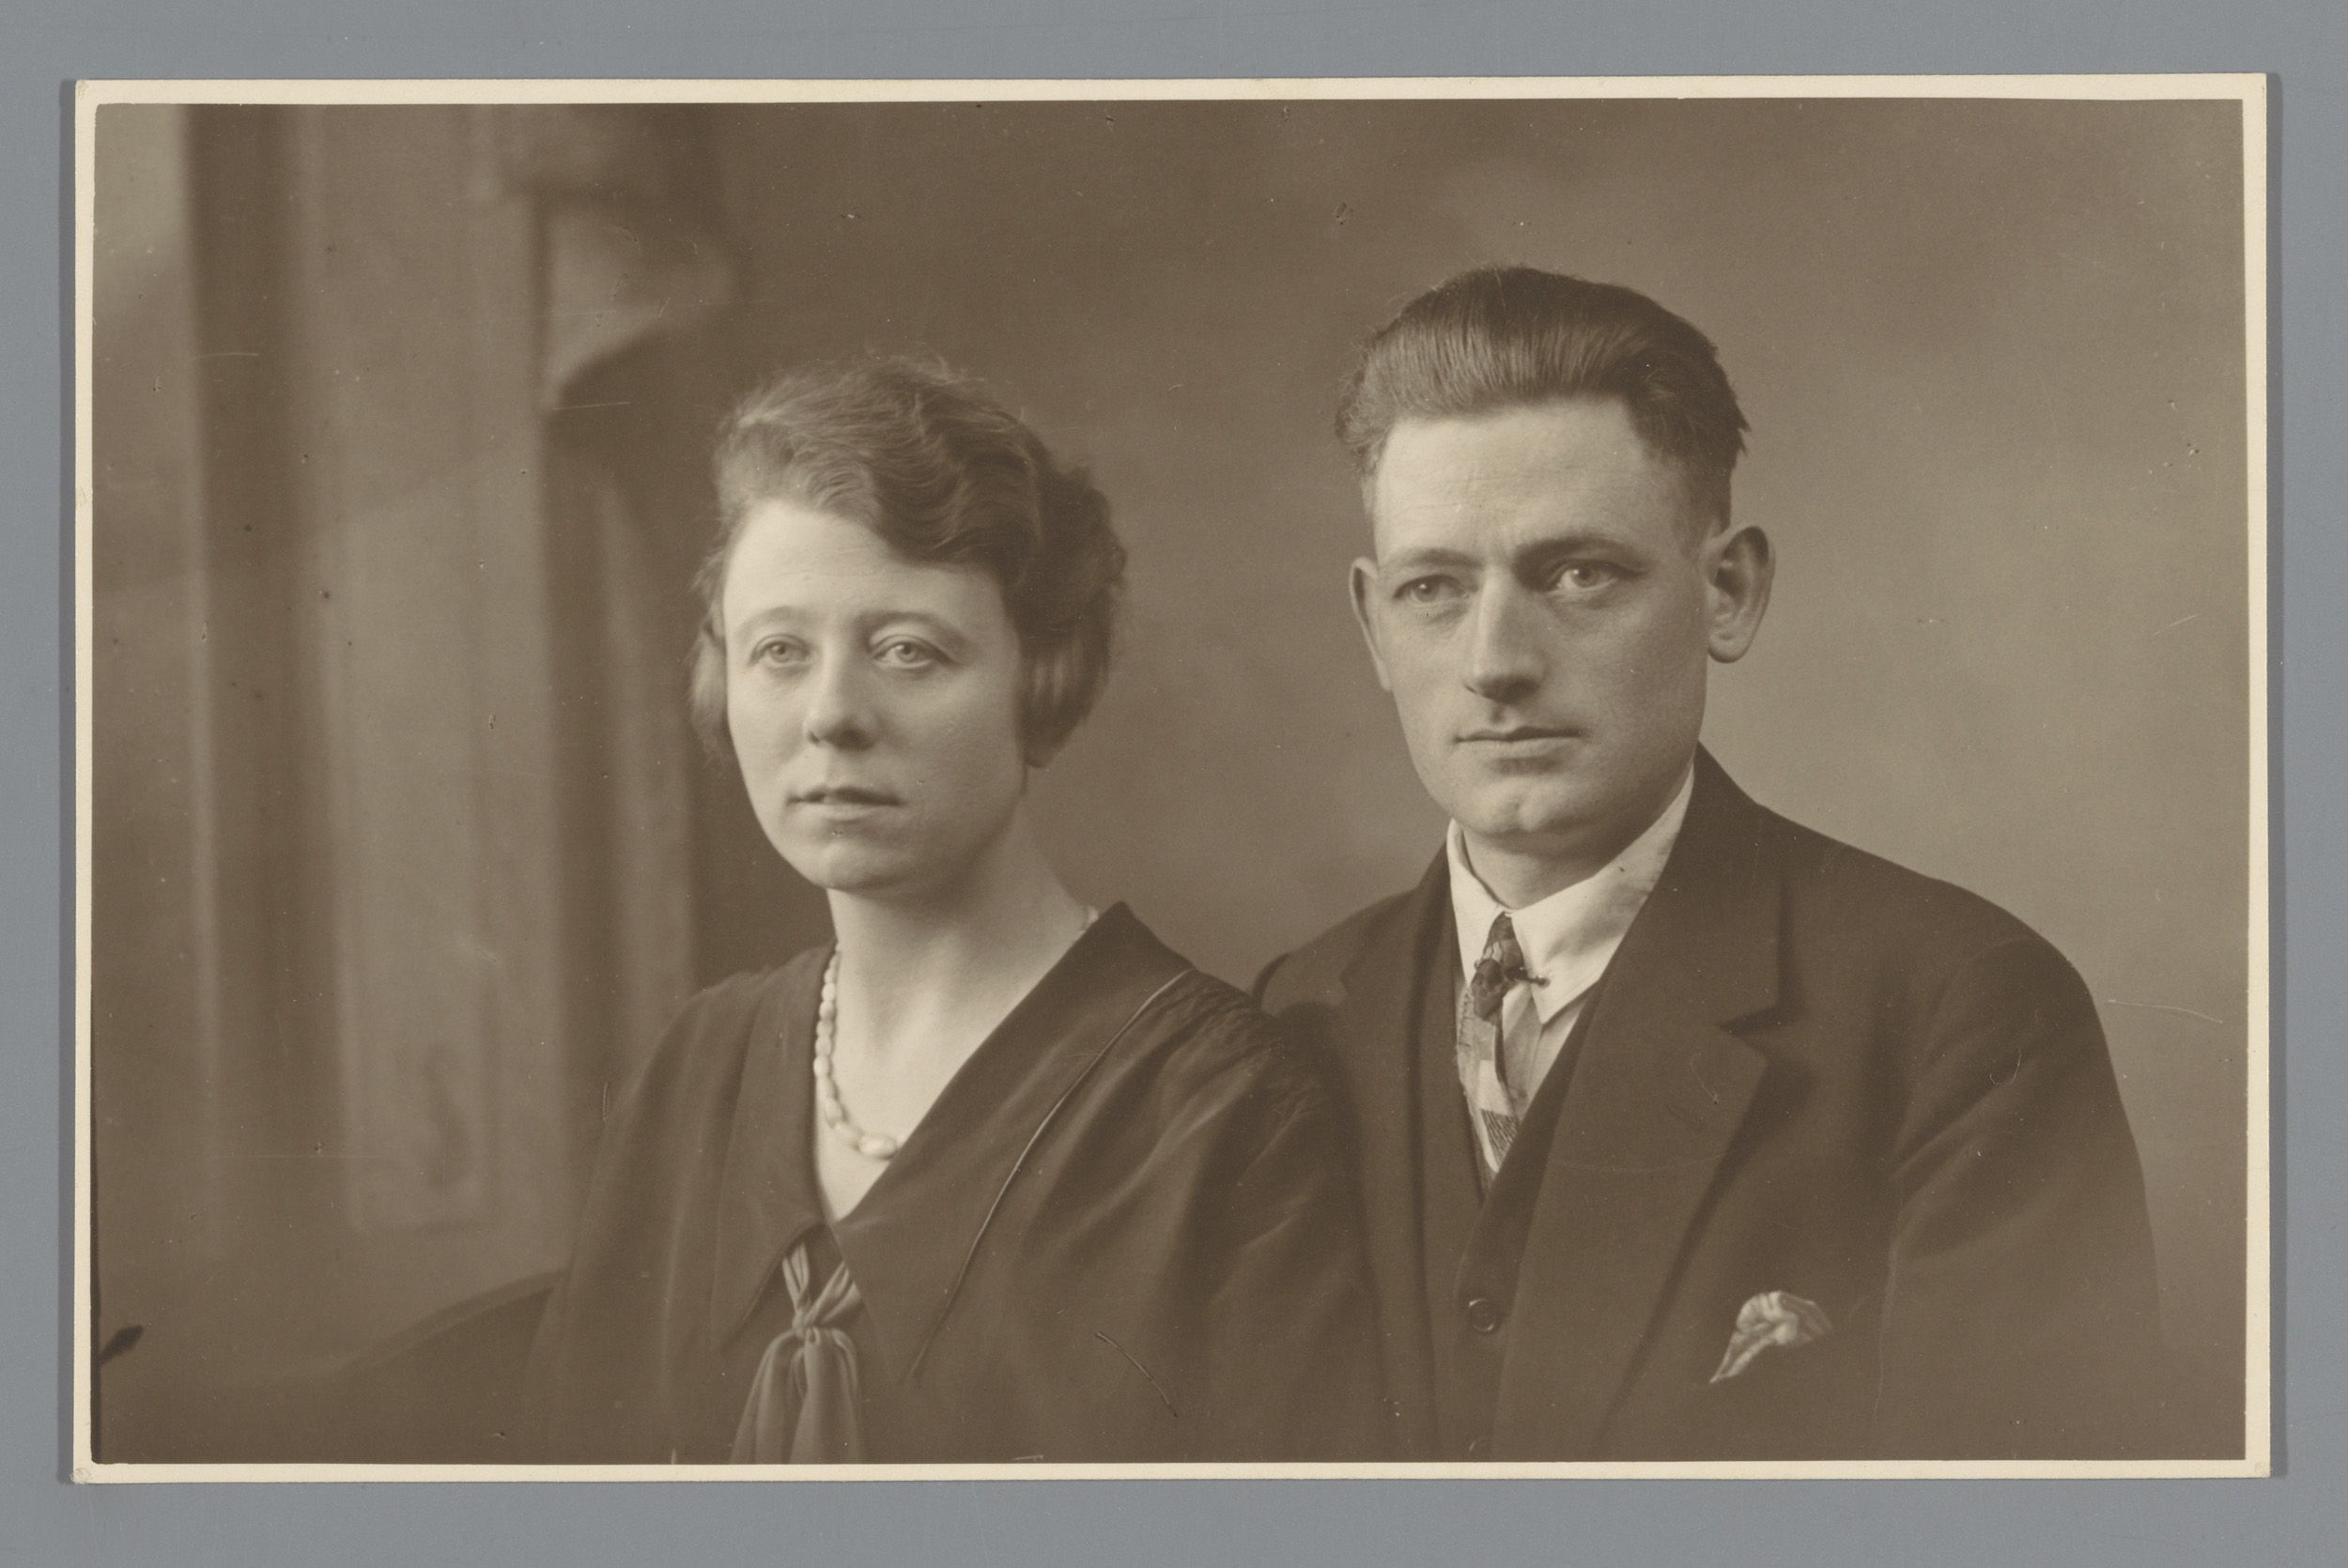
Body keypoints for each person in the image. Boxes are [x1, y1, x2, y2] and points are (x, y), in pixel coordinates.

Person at [1256, 266, 2166, 1462]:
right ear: (1374, 626)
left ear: (1727, 591)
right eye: (1434, 587)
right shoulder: (1297, 1014)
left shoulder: (1961, 1012)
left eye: (1577, 573)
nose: (1494, 661)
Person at [526, 357, 1383, 1465]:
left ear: (1042, 678)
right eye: (779, 651)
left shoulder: (1217, 1110)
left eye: (907, 651)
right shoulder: (697, 1069)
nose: (832, 713)